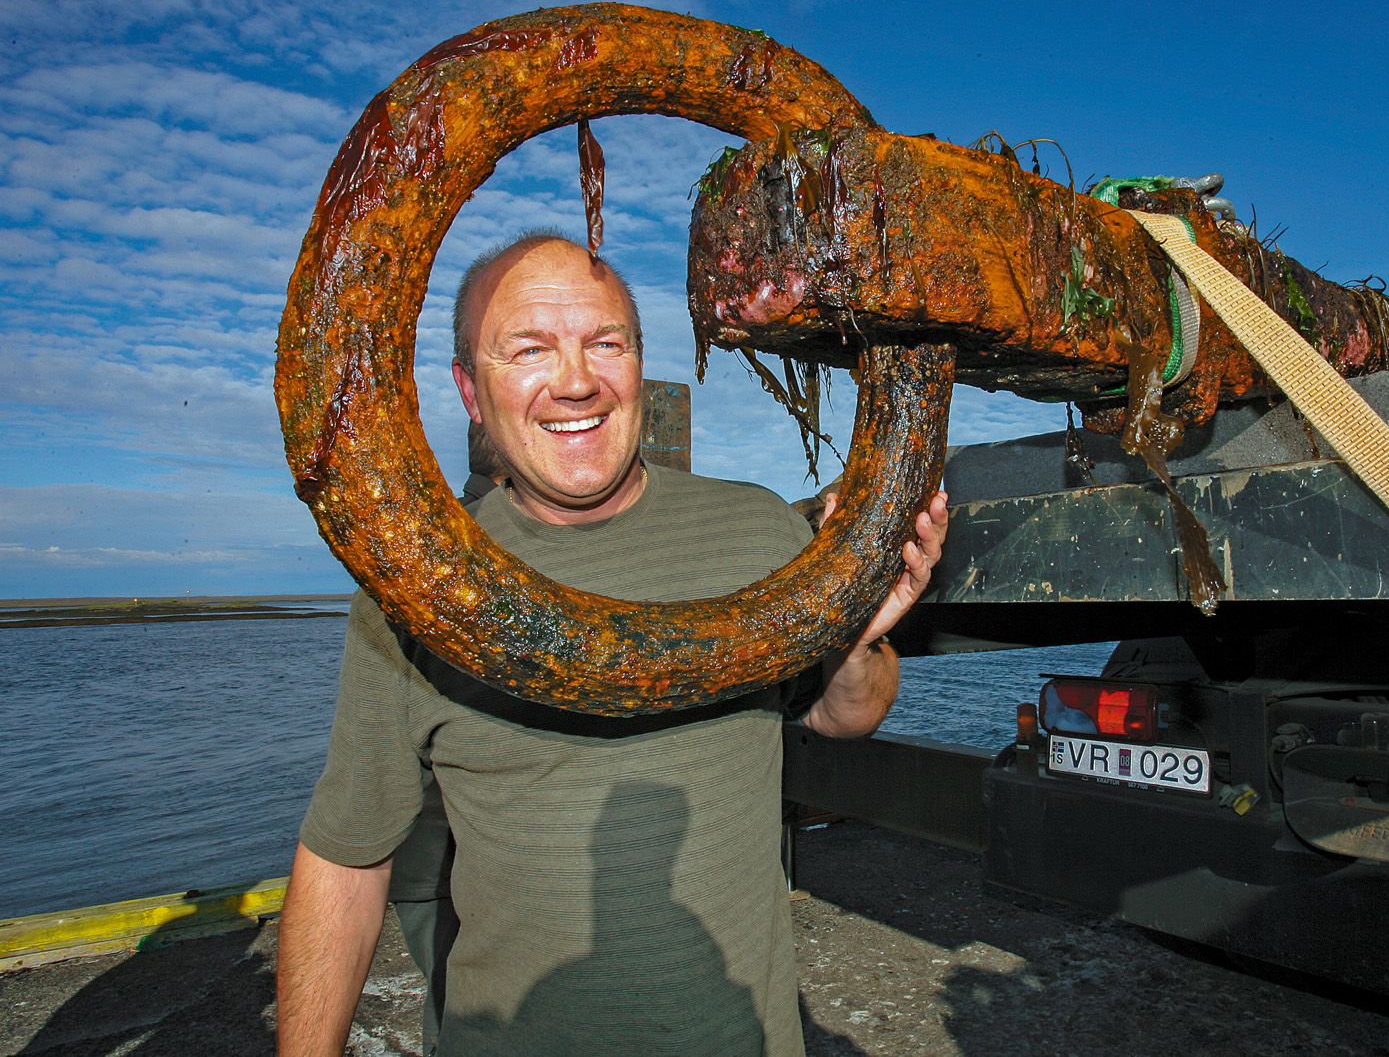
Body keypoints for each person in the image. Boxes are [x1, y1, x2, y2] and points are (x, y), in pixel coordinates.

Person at [275, 231, 947, 1057]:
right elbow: (346, 859)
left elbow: (851, 716)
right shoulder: (417, 590)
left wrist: (855, 640)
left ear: (637, 366)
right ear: (470, 393)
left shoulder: (759, 531)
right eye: (529, 349)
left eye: (605, 342)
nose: (575, 380)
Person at [385, 420, 509, 1054]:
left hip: (423, 858)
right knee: (473, 1017)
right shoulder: (483, 548)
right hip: (457, 856)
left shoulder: (429, 543)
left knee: (453, 1009)